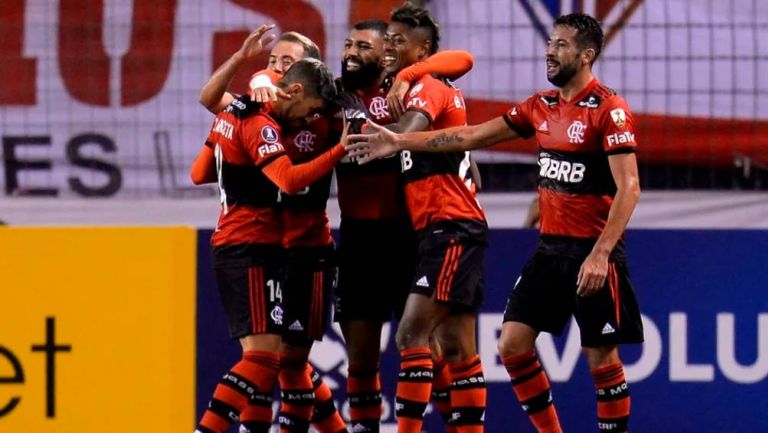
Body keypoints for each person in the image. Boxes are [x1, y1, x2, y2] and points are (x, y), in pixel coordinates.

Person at [347, 12, 644, 433]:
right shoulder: (540, 107)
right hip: (549, 251)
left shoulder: (608, 109)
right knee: (512, 345)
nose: (550, 51)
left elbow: (629, 187)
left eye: (561, 45)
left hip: (594, 253)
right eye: (550, 43)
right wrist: (399, 140)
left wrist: (600, 255)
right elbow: (471, 136)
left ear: (587, 55)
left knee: (600, 357)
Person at [331, 17, 475, 433]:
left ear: (386, 55)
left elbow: (463, 58)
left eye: (364, 47)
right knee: (359, 353)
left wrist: (410, 72)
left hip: (407, 235)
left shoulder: (408, 91)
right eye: (348, 45)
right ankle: (364, 428)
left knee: (426, 345)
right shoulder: (333, 94)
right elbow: (288, 79)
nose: (352, 54)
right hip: (357, 237)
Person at [191, 58, 346, 433]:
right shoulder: (261, 121)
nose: (307, 119)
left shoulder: (243, 109)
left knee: (283, 361)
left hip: (286, 249)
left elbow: (198, 171)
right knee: (266, 359)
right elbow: (288, 181)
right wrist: (340, 149)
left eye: (286, 60)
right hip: (255, 245)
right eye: (273, 62)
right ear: (292, 89)